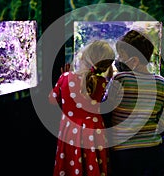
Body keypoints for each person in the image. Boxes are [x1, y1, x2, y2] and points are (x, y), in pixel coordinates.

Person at [102, 30, 164, 176]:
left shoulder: (119, 79)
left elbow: (104, 108)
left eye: (121, 56)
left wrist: (107, 80)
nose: (118, 60)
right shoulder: (162, 83)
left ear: (134, 61)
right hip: (151, 150)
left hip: (121, 154)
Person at [48, 40, 115, 176]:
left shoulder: (65, 77)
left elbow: (52, 100)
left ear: (83, 57)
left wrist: (63, 79)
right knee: (92, 164)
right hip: (94, 131)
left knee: (72, 163)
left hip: (71, 130)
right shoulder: (101, 82)